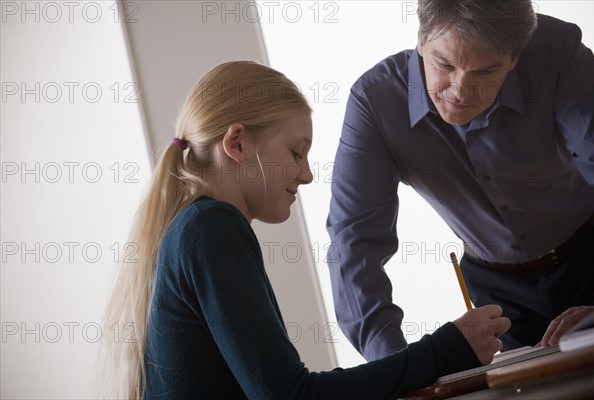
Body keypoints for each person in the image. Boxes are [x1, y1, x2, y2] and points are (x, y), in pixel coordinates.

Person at [98, 61, 510, 399]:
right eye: (296, 152)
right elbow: (291, 396)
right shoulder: (210, 229)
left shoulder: (194, 228)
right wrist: (448, 348)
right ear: (237, 144)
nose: (308, 175)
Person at [326, 0, 594, 363]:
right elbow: (354, 246)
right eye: (444, 64)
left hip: (591, 253)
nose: (460, 91)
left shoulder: (556, 51)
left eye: (485, 73)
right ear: (421, 40)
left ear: (515, 57)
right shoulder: (373, 104)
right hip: (496, 288)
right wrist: (397, 368)